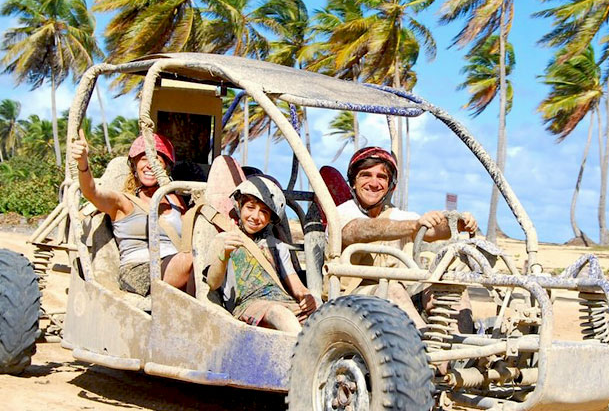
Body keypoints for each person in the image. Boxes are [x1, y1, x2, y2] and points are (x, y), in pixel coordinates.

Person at [336, 146, 477, 330]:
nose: (374, 182)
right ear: (353, 182)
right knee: (392, 290)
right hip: (350, 299)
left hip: (398, 293)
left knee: (450, 290)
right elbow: (356, 230)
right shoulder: (342, 212)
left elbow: (432, 232)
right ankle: (426, 352)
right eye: (366, 175)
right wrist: (413, 226)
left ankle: (465, 351)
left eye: (382, 177)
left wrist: (458, 224)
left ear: (390, 185)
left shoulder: (398, 215)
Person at [71, 129, 193, 296]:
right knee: (192, 260)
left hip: (176, 265)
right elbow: (91, 192)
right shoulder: (123, 202)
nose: (150, 164)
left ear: (167, 167)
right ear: (135, 166)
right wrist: (83, 163)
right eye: (144, 159)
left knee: (207, 258)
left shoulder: (175, 200)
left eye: (157, 160)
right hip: (139, 270)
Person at [206, 175, 318, 333]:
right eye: (250, 208)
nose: (255, 217)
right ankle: (302, 356)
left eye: (264, 212)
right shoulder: (223, 240)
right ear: (240, 207)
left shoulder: (277, 246)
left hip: (284, 304)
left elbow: (296, 286)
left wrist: (307, 297)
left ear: (270, 219)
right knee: (279, 313)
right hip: (248, 306)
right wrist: (225, 254)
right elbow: (212, 283)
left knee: (323, 309)